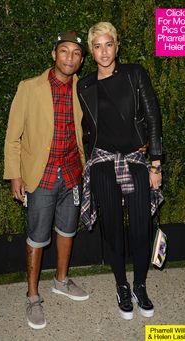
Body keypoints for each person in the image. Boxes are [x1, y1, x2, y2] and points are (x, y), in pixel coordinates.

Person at [4, 30, 89, 330]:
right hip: (40, 175)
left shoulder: (83, 88)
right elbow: (13, 137)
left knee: (67, 230)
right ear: (54, 54)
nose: (70, 58)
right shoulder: (29, 88)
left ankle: (61, 281)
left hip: (72, 173)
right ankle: (32, 296)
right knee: (37, 236)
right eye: (64, 51)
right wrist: (15, 174)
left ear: (81, 60)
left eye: (76, 53)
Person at [77, 22, 162, 320]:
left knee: (141, 227)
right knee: (112, 229)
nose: (104, 51)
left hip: (136, 161)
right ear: (91, 50)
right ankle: (121, 286)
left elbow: (153, 116)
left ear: (117, 45)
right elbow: (87, 130)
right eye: (97, 46)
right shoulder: (84, 85)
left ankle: (140, 285)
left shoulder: (135, 73)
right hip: (102, 162)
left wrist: (155, 163)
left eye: (108, 44)